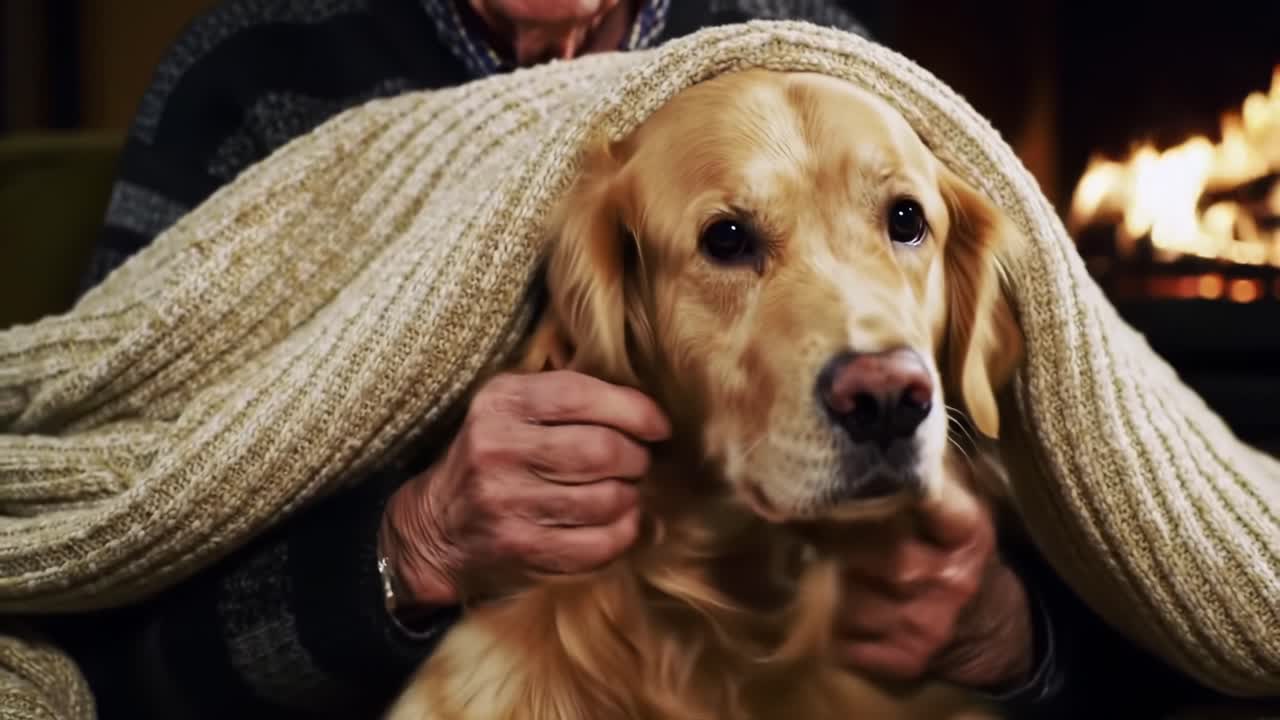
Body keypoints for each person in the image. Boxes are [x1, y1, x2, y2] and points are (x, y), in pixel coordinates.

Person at [45, 1, 1220, 718]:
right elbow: (102, 624)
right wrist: (408, 550)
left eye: (899, 223)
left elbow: (1159, 600)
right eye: (726, 240)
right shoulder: (246, 81)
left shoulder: (825, 54)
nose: (871, 359)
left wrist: (1013, 638)